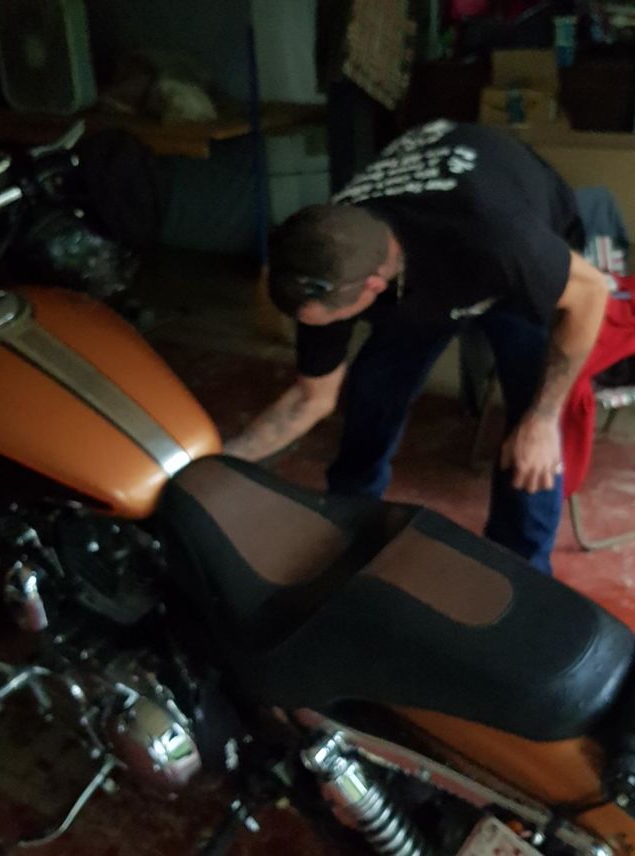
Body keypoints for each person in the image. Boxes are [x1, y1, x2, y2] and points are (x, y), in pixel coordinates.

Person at [224, 120, 609, 575]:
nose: (319, 331)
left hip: (512, 268)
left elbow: (591, 293)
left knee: (533, 429)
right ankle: (351, 517)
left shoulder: (503, 242)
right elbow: (310, 399)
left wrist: (542, 418)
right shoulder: (327, 250)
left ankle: (521, 568)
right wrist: (217, 463)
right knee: (373, 388)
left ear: (372, 288)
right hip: (421, 265)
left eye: (332, 321)